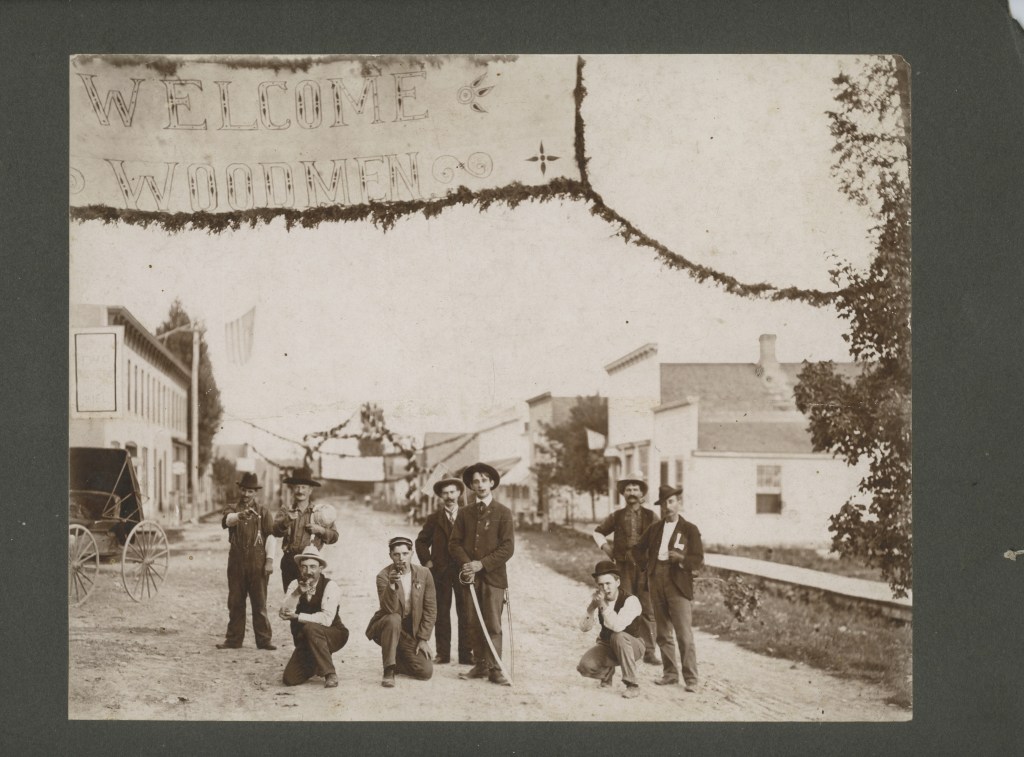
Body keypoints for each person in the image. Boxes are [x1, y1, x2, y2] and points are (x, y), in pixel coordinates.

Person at [632, 484, 704, 692]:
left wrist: (681, 559)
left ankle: (691, 679)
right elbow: (637, 550)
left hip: (677, 583)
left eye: (671, 502)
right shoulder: (655, 529)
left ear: (678, 503)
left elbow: (698, 559)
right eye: (663, 504)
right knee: (663, 632)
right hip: (656, 580)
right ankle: (670, 674)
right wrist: (647, 567)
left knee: (684, 634)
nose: (667, 507)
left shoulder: (689, 529)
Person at [449, 462, 515, 686]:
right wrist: (468, 564)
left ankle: (495, 669)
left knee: (493, 624)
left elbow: (508, 548)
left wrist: (482, 564)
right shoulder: (464, 513)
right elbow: (454, 543)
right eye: (475, 481)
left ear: (492, 483)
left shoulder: (503, 513)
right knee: (473, 622)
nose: (480, 485)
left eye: (484, 480)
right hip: (470, 578)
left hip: (494, 578)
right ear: (471, 485)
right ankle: (480, 665)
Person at [592, 478, 660, 665]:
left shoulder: (651, 516)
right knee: (621, 605)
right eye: (628, 490)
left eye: (635, 489)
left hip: (645, 569)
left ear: (641, 493)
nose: (632, 493)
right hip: (623, 568)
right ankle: (619, 648)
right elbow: (598, 532)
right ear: (623, 494)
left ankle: (649, 651)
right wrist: (607, 549)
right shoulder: (617, 516)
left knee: (647, 609)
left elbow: (661, 539)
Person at [415, 477, 473, 665]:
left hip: (463, 572)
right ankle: (443, 654)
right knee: (441, 613)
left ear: (459, 493)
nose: (449, 496)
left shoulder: (468, 516)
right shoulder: (434, 518)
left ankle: (466, 654)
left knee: (466, 612)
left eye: (452, 492)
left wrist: (472, 564)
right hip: (440, 573)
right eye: (445, 493)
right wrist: (428, 562)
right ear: (440, 496)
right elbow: (421, 542)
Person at [365, 536, 437, 687]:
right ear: (390, 555)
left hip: (409, 631)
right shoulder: (383, 576)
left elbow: (430, 609)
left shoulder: (424, 573)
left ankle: (398, 659)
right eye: (396, 554)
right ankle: (389, 670)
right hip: (387, 626)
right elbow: (389, 609)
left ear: (412, 553)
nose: (401, 558)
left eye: (405, 553)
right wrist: (391, 585)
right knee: (394, 618)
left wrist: (423, 639)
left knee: (425, 672)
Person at [217, 472, 276, 650]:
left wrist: (269, 561)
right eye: (243, 490)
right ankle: (234, 640)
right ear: (240, 490)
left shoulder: (264, 511)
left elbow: (271, 536)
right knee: (235, 602)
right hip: (236, 561)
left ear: (255, 492)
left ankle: (264, 640)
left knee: (260, 603)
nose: (246, 494)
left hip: (258, 562)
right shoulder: (232, 508)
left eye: (250, 491)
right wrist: (239, 516)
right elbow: (227, 521)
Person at [279, 545, 349, 688]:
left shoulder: (330, 586)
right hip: (306, 638)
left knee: (310, 628)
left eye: (313, 567)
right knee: (290, 679)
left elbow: (326, 619)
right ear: (299, 568)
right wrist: (297, 593)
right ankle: (316, 662)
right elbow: (284, 612)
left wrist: (298, 616)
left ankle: (330, 673)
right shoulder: (294, 584)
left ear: (320, 568)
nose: (308, 571)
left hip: (333, 634)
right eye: (304, 567)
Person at [576, 560, 647, 699]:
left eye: (608, 583)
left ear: (618, 582)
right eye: (600, 585)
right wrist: (591, 608)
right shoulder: (598, 599)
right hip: (608, 645)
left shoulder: (631, 601)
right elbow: (584, 628)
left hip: (633, 646)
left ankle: (632, 684)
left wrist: (602, 605)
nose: (605, 588)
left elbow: (617, 626)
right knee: (584, 667)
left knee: (618, 636)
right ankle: (607, 673)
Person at [272, 465, 338, 593]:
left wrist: (320, 530)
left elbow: (334, 537)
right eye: (297, 487)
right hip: (289, 562)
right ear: (292, 489)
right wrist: (286, 521)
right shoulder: (285, 510)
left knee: (310, 599)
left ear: (310, 490)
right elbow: (274, 531)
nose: (300, 491)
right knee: (291, 599)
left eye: (303, 487)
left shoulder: (320, 512)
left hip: (311, 563)